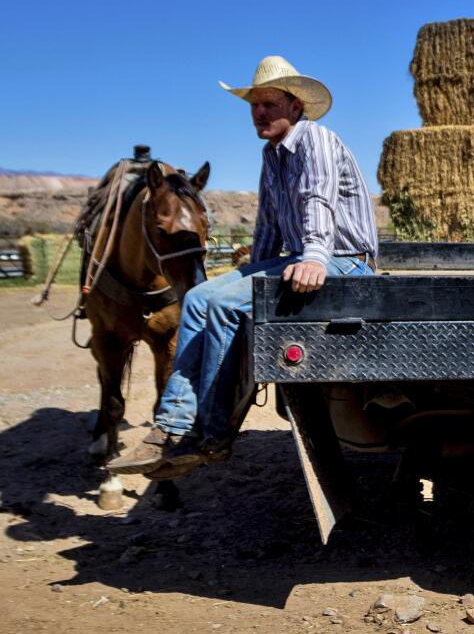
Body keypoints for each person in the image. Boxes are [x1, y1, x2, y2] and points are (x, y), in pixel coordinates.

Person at [109, 55, 378, 477]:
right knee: (198, 298)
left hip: (344, 261)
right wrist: (254, 267)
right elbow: (268, 224)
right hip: (302, 257)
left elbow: (318, 199)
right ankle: (172, 424)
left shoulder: (317, 140)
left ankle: (212, 433)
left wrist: (313, 256)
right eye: (254, 105)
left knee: (224, 305)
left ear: (295, 106)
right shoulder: (272, 155)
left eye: (269, 104)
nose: (259, 113)